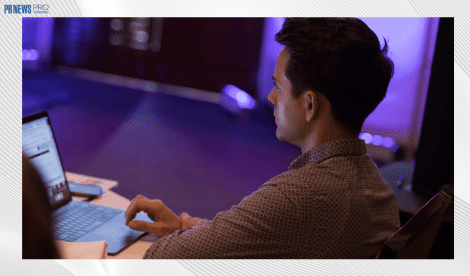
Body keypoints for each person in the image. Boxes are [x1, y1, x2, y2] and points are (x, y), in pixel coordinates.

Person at [125, 18, 400, 258]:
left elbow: (165, 257)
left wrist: (182, 240)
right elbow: (259, 236)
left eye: (278, 86)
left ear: (309, 105)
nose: (271, 97)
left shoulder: (300, 197)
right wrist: (183, 228)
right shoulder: (375, 186)